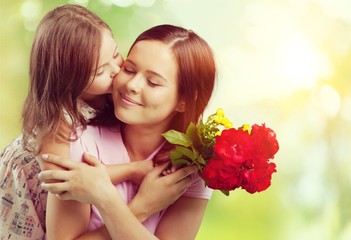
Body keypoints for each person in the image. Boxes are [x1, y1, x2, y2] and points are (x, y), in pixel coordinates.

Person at [1, 5, 189, 239]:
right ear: (69, 81)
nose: (116, 71)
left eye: (115, 55)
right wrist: (132, 170)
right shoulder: (56, 123)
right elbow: (69, 181)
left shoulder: (111, 94)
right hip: (23, 209)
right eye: (100, 71)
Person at [39, 24, 217, 239]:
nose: (132, 84)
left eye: (153, 82)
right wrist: (141, 208)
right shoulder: (79, 142)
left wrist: (106, 198)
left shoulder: (190, 167)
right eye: (129, 69)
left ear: (184, 101)